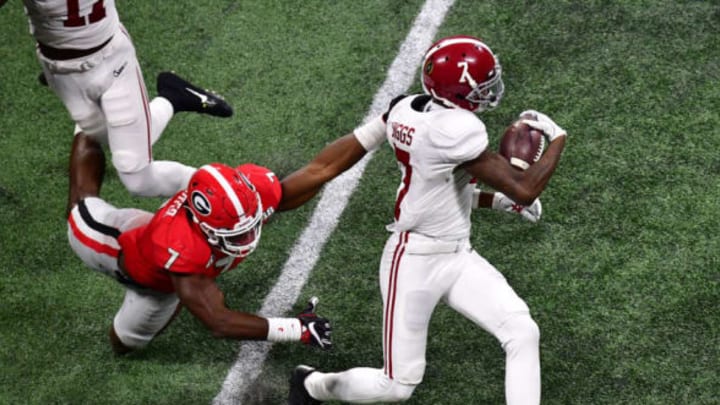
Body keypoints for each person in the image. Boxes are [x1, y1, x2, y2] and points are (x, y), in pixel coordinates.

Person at [280, 35, 567, 404]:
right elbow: (525, 189)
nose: (490, 90)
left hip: (456, 254)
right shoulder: (457, 131)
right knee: (396, 387)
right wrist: (558, 137)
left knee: (522, 331)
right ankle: (311, 384)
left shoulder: (407, 108)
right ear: (459, 93)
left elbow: (441, 192)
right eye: (481, 85)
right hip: (413, 261)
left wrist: (495, 203)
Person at [66, 135, 332, 354]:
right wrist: (298, 329)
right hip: (117, 248)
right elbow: (219, 322)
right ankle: (88, 123)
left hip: (166, 278)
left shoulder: (245, 197)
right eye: (234, 230)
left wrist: (374, 131)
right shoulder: (179, 245)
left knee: (126, 344)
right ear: (204, 223)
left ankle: (181, 292)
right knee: (79, 207)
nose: (247, 235)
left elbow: (320, 169)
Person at [21, 0, 233, 210]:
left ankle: (225, 193)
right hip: (61, 72)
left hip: (111, 63)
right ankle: (173, 96)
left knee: (138, 179)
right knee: (102, 136)